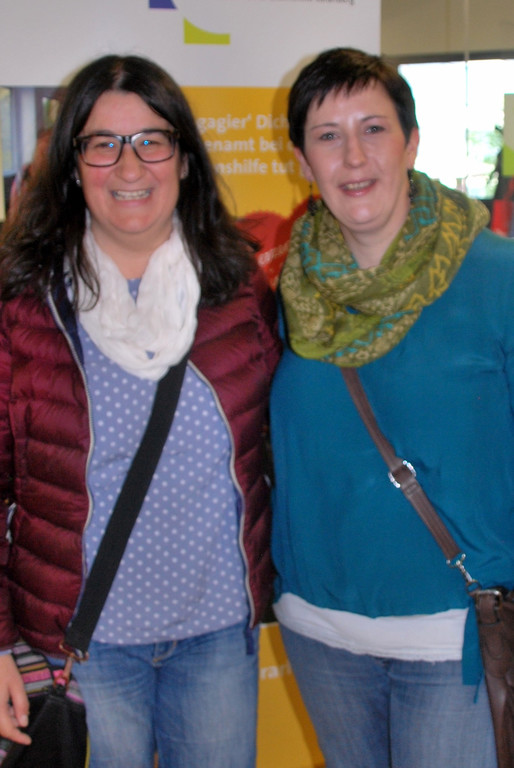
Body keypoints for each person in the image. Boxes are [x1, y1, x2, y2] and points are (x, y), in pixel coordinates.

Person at [0, 54, 280, 768]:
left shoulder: (239, 291)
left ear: (184, 159)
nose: (130, 166)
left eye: (151, 140)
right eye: (103, 144)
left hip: (216, 635)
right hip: (80, 644)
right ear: (73, 166)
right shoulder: (25, 306)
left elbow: (277, 451)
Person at [270, 47, 514, 768]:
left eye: (373, 129)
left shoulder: (496, 278)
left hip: (455, 635)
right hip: (320, 631)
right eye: (328, 135)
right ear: (301, 159)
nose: (354, 157)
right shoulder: (289, 289)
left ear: (411, 142)